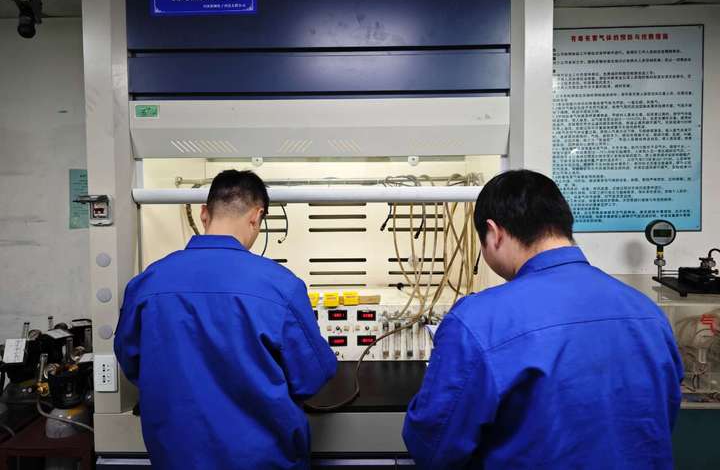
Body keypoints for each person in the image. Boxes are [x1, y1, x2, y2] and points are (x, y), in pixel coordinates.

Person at [403, 169, 683, 469]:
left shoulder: (478, 320)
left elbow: (433, 446)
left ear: (494, 232)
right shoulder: (649, 314)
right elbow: (660, 419)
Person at [114, 170, 337, 470]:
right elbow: (311, 376)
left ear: (204, 213)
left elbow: (131, 361)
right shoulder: (281, 286)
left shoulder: (148, 282)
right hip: (263, 460)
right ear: (256, 217)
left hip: (176, 456)